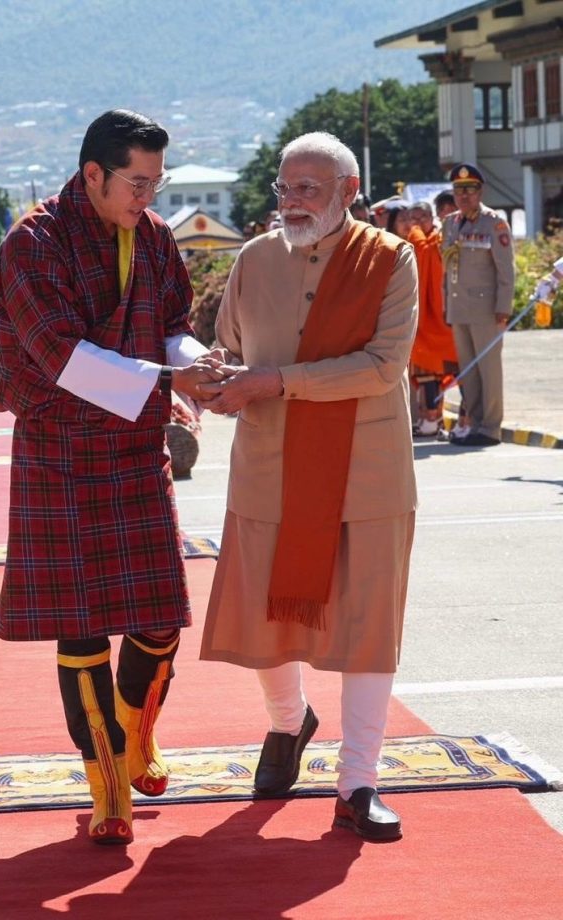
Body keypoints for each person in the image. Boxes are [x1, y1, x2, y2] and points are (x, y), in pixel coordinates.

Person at [0, 109, 224, 846]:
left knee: (160, 616)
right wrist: (172, 382)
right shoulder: (33, 242)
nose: (147, 199)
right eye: (136, 183)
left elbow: (174, 323)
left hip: (136, 444)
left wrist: (198, 362)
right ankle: (107, 785)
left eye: (156, 184)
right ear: (93, 173)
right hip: (60, 447)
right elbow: (62, 358)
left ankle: (134, 733)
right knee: (81, 624)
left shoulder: (152, 235)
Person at [197, 131, 418, 841]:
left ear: (349, 192)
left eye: (308, 189)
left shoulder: (391, 259)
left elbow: (382, 366)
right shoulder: (255, 258)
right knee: (266, 614)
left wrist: (274, 382)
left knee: (369, 626)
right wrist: (210, 378)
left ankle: (358, 783)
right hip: (268, 465)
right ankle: (289, 723)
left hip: (367, 471)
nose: (291, 201)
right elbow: (226, 347)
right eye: (284, 187)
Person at [441, 163, 515, 446]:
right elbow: (447, 269)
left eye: (469, 190)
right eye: (459, 191)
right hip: (458, 307)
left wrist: (503, 308)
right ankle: (474, 424)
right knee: (468, 372)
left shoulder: (494, 224)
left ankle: (490, 428)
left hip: (487, 310)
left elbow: (505, 271)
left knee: (489, 370)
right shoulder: (450, 223)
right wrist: (446, 305)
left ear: (480, 192)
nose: (464, 196)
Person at [407, 200, 459, 437]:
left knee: (452, 370)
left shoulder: (439, 239)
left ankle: (447, 418)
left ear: (431, 217)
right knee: (426, 372)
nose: (418, 223)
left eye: (423, 217)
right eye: (414, 218)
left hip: (443, 315)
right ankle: (430, 419)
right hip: (422, 318)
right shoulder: (413, 240)